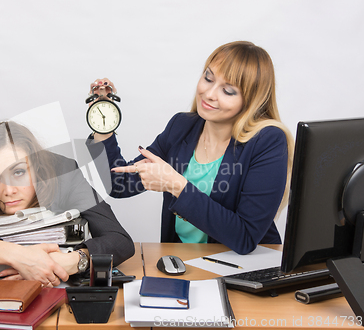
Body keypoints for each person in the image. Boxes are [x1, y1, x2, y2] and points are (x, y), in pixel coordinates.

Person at [87, 41, 294, 255]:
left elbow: (244, 238)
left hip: (244, 268)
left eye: (228, 90)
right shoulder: (182, 126)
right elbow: (119, 184)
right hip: (186, 262)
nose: (209, 93)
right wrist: (103, 123)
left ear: (251, 101)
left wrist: (175, 184)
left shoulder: (268, 141)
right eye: (208, 78)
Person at [0, 121, 134, 286]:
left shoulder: (63, 171)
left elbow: (119, 239)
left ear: (37, 167)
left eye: (18, 172)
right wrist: (19, 256)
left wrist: (70, 261)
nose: (8, 190)